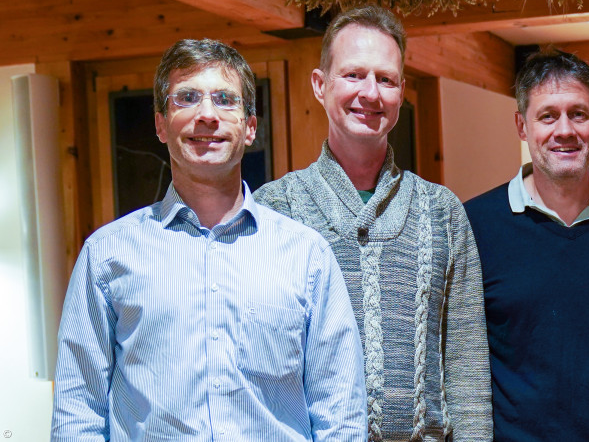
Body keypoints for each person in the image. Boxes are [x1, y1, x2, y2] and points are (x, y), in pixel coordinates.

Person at [51, 39, 366, 441]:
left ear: (250, 127)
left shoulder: (307, 257)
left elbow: (340, 418)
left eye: (224, 100)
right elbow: (77, 413)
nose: (206, 115)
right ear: (161, 124)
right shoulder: (107, 255)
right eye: (187, 98)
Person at [254, 5, 491, 442]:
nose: (370, 93)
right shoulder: (275, 209)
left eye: (386, 79)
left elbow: (466, 367)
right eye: (353, 75)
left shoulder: (442, 212)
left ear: (402, 92)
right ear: (319, 85)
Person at [462, 49, 589, 442]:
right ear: (522, 126)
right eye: (547, 115)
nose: (565, 130)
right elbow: (460, 362)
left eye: (578, 113)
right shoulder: (475, 225)